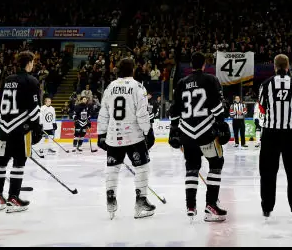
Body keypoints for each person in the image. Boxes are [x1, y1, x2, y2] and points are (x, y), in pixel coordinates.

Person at [168, 52, 229, 221]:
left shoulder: (181, 82)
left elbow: (174, 109)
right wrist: (222, 124)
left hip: (187, 133)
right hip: (206, 132)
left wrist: (174, 130)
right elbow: (217, 106)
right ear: (204, 65)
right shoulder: (210, 79)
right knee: (216, 163)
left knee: (192, 168)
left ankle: (190, 206)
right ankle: (210, 205)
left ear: (190, 65)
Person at [96, 57, 156, 220]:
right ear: (133, 70)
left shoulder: (110, 87)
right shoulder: (137, 87)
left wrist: (101, 134)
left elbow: (104, 112)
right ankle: (141, 201)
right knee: (142, 167)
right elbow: (142, 113)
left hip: (113, 136)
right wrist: (148, 131)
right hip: (134, 136)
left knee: (112, 168)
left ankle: (110, 198)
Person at [0, 51, 43, 212]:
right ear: (29, 63)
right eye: (32, 62)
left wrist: (2, 124)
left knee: (0, 163)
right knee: (19, 163)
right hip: (20, 129)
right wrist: (37, 128)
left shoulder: (8, 80)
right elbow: (34, 109)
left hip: (3, 129)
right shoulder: (31, 81)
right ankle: (13, 197)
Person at [256, 54, 292, 220]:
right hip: (291, 133)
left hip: (270, 133)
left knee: (268, 171)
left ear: (274, 67)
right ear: (288, 65)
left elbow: (261, 108)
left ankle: (267, 207)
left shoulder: (266, 84)